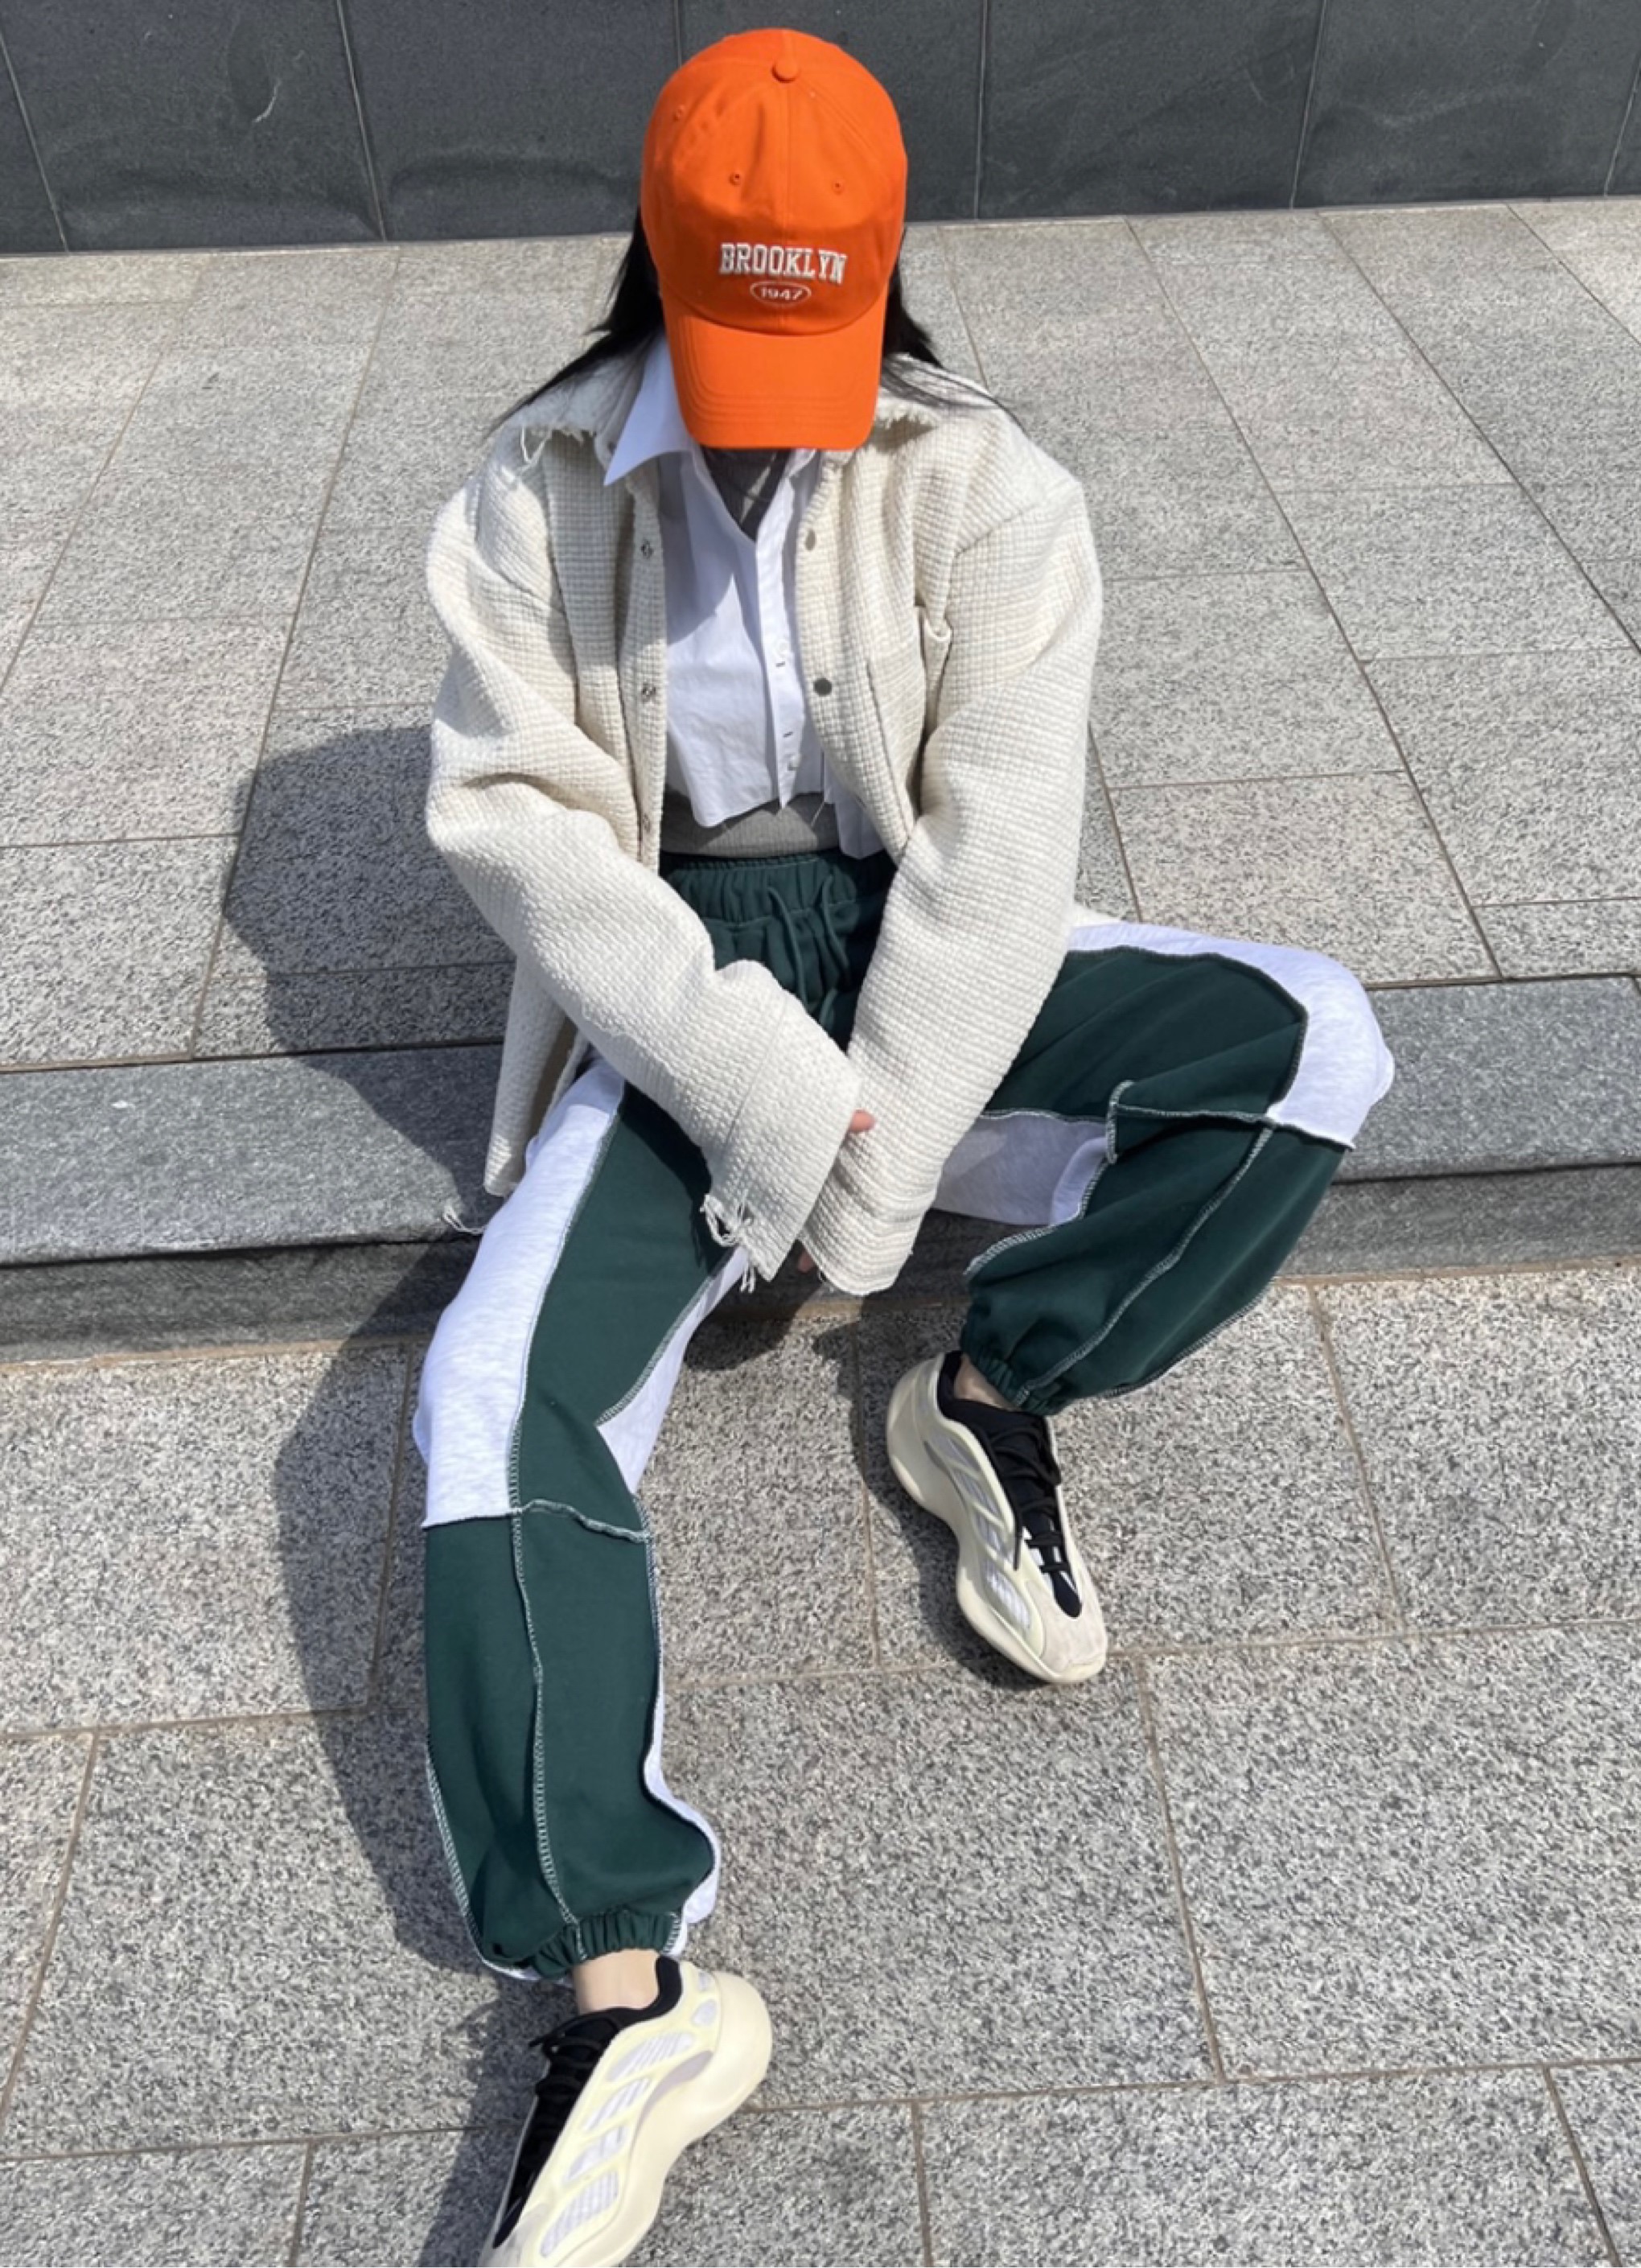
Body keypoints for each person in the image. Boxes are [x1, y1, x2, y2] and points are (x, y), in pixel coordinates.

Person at [412, 26, 1396, 2266]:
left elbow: (997, 861)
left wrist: (863, 1189)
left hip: (918, 955)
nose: (778, 411)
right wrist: (774, 1104)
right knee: (486, 1395)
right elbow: (529, 840)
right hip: (685, 981)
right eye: (736, 341)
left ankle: (992, 1389)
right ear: (657, 263)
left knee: (1311, 1043)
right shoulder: (531, 492)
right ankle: (625, 1996)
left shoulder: (996, 488)